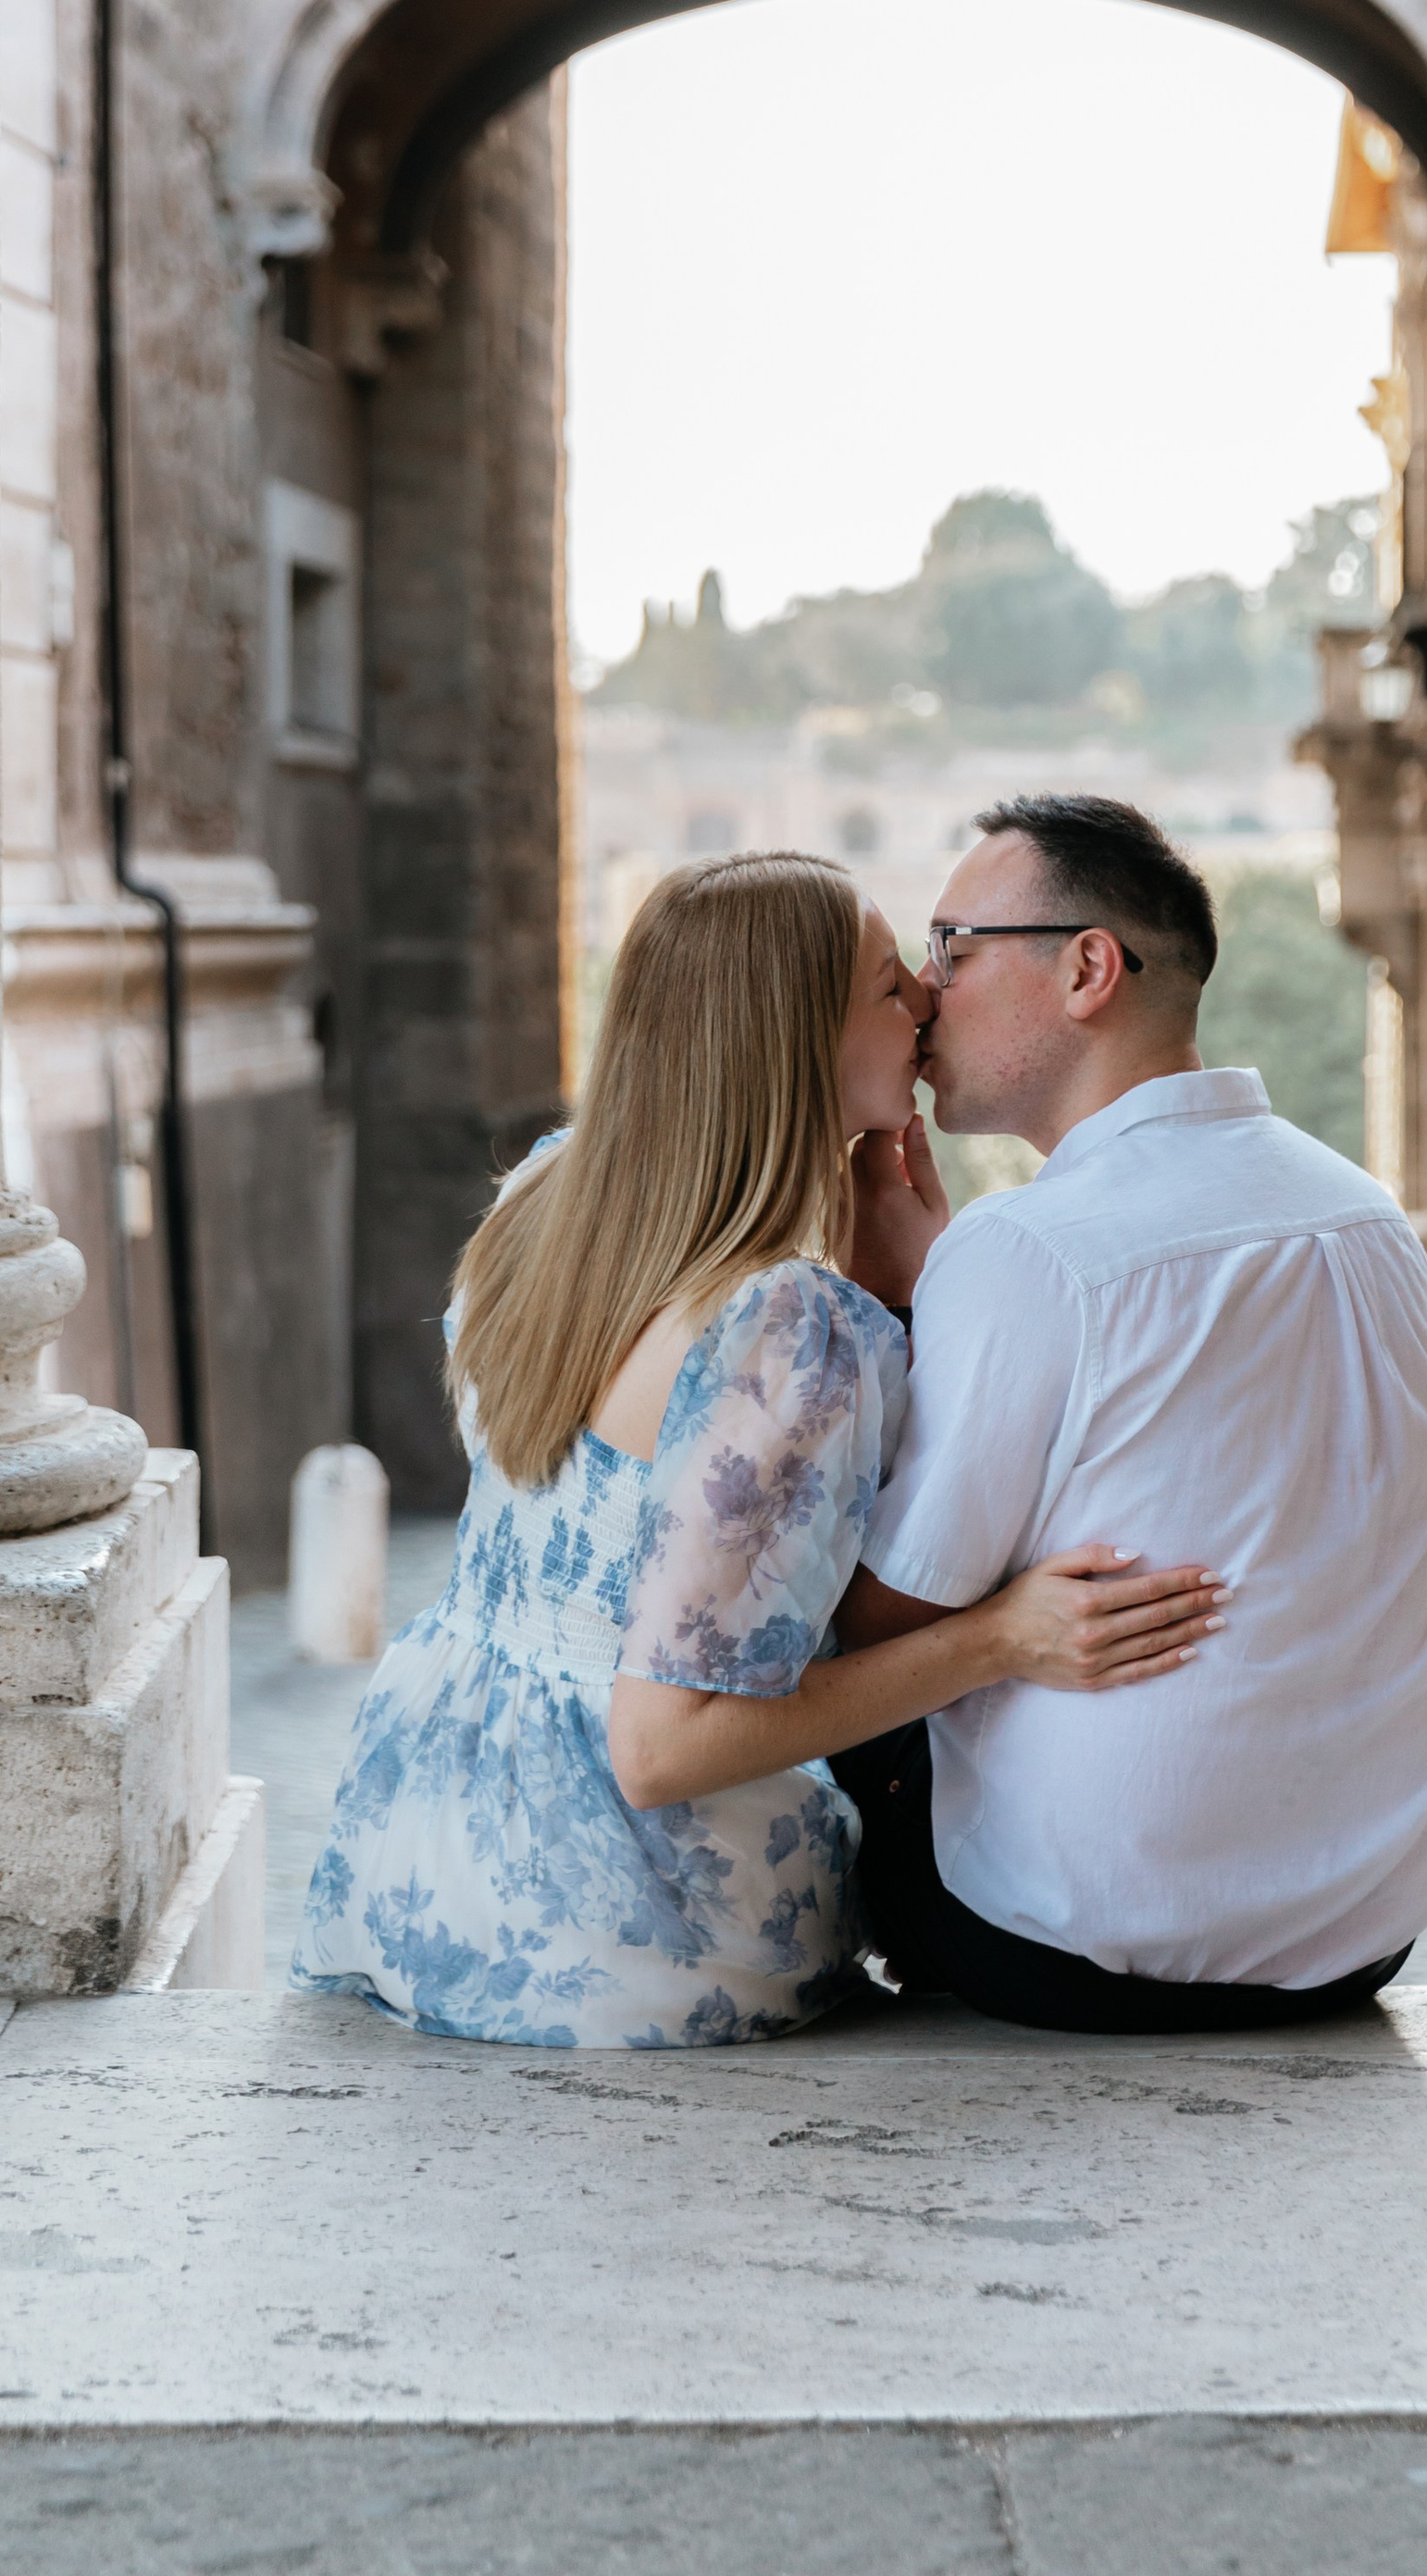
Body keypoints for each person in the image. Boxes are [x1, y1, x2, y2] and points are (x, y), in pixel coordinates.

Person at [292, 850, 1218, 2049]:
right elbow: (665, 1747)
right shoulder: (788, 1329)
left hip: (421, 1849)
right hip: (634, 1919)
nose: (929, 1004)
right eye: (893, 988)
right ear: (799, 1040)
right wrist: (1001, 1637)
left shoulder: (549, 1196)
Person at [834, 791, 1427, 2037]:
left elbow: (880, 1614)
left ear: (1088, 968)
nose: (922, 989)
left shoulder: (1031, 1251)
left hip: (1074, 1946)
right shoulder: (1362, 1214)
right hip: (1362, 1933)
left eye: (954, 949)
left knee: (782, 1683)